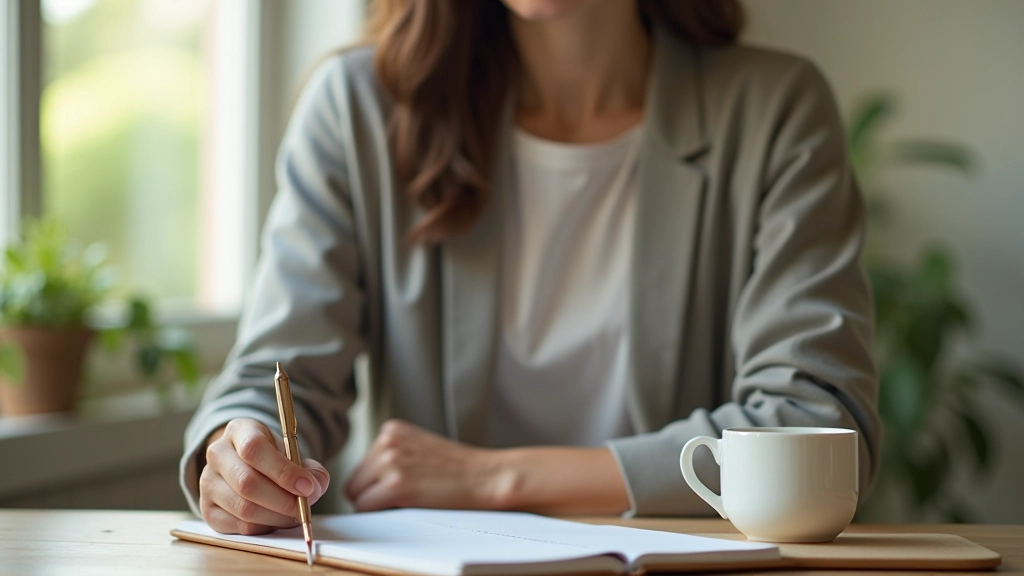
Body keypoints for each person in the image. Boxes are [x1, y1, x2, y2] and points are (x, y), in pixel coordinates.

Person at [181, 0, 881, 535]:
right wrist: (240, 455)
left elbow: (814, 424)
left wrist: (495, 479)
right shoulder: (354, 109)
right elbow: (277, 380)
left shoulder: (777, 110)